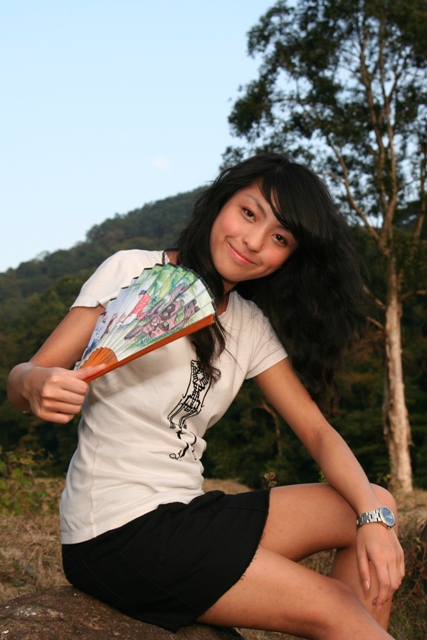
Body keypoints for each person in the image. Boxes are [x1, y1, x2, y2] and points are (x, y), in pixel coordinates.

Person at [7, 153, 404, 639]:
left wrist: (375, 519)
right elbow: (26, 377)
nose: (253, 241)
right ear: (221, 202)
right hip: (115, 528)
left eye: (280, 238)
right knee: (339, 608)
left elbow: (318, 432)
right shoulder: (135, 272)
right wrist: (35, 384)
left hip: (187, 512)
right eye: (249, 213)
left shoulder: (249, 325)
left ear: (289, 257)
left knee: (374, 504)